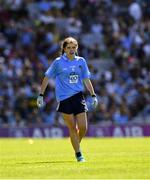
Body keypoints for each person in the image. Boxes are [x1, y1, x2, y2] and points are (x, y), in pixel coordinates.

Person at [37, 37, 98, 162]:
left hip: (78, 96)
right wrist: (41, 95)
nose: (71, 50)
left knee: (83, 127)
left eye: (74, 47)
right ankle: (79, 154)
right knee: (72, 128)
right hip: (64, 99)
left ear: (77, 48)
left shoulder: (81, 61)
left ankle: (76, 144)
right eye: (69, 47)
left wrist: (93, 95)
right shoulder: (58, 62)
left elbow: (86, 79)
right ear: (64, 49)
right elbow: (47, 77)